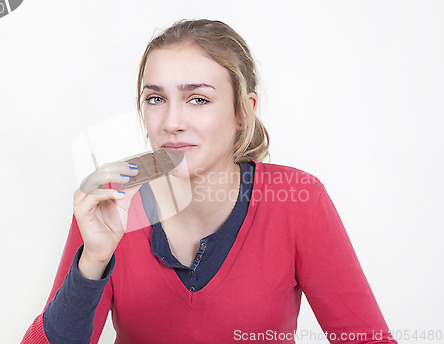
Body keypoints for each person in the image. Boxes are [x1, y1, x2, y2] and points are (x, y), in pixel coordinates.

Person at [22, 19, 397, 344]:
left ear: (241, 113)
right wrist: (93, 261)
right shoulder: (110, 201)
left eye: (198, 99)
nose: (171, 122)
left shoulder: (299, 201)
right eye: (155, 99)